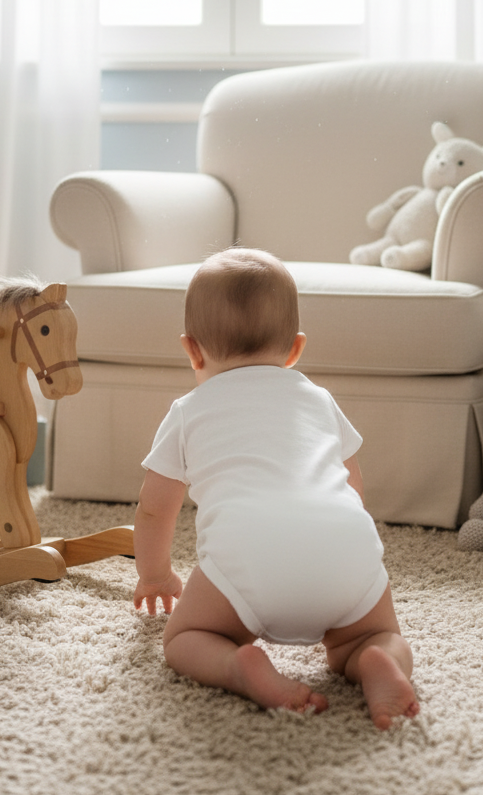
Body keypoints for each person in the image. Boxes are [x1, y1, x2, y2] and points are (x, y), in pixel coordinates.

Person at [132, 247, 419, 730]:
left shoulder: (188, 410)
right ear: (294, 350)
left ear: (192, 349)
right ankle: (374, 660)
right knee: (375, 635)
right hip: (345, 554)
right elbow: (353, 483)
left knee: (185, 639)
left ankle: (237, 666)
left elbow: (155, 511)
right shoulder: (319, 399)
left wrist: (156, 575)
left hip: (247, 563)